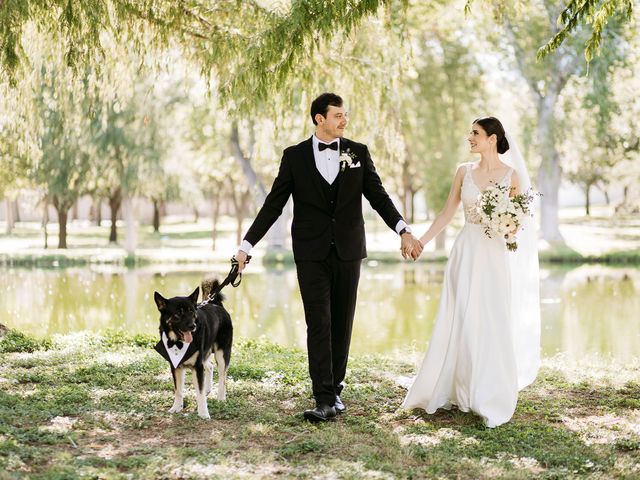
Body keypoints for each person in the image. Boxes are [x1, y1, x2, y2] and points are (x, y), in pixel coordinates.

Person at [235, 93, 423, 422]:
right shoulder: (294, 157)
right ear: (319, 119)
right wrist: (246, 246)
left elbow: (378, 195)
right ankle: (323, 396)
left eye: (345, 115)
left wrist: (403, 230)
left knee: (342, 321)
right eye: (338, 115)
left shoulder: (355, 152)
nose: (344, 121)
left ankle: (335, 388)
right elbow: (273, 205)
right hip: (310, 252)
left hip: (348, 250)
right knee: (318, 321)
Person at [402, 116, 540, 427]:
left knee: (491, 317)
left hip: (493, 256)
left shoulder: (512, 175)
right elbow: (447, 212)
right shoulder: (463, 172)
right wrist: (421, 242)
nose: (470, 138)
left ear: (492, 138)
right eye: (470, 133)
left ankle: (487, 390)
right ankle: (459, 388)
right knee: (462, 316)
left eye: (475, 133)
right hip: (465, 252)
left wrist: (509, 225)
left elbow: (517, 225)